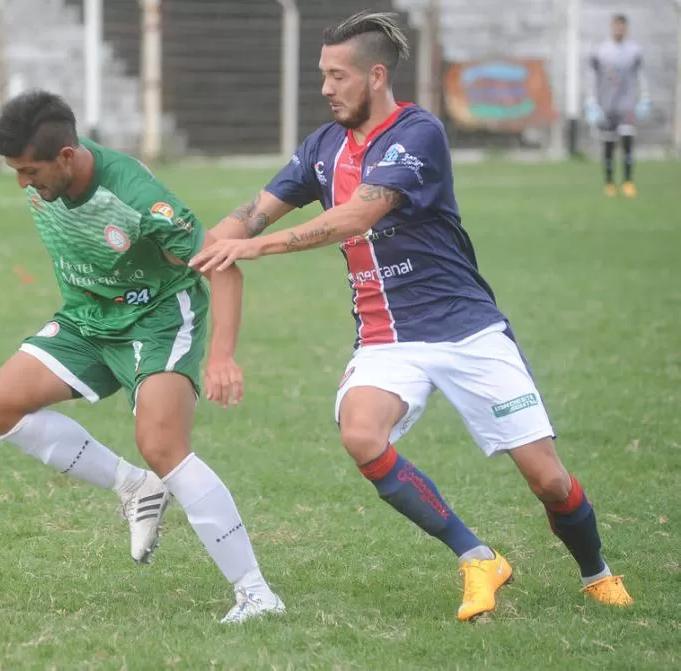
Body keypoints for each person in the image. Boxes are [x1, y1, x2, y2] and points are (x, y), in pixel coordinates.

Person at [190, 11, 633, 621]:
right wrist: (193, 245)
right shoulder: (321, 148)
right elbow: (248, 218)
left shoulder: (417, 133)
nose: (325, 88)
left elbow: (355, 217)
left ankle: (596, 573)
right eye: (322, 75)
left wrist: (254, 247)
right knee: (360, 433)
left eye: (337, 76)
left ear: (375, 76)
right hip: (385, 339)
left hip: (465, 328)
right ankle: (478, 557)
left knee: (548, 481)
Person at [0, 89, 284, 623]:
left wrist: (222, 358)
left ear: (66, 157)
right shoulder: (48, 178)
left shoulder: (139, 198)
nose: (23, 183)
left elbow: (222, 265)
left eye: (29, 171)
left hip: (158, 318)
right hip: (87, 317)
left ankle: (257, 594)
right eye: (15, 171)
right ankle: (133, 486)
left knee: (163, 444)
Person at [585, 13, 650, 198]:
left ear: (626, 28)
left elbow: (642, 75)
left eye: (622, 27)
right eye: (616, 26)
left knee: (628, 143)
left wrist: (645, 97)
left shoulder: (634, 51)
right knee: (608, 145)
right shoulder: (601, 51)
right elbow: (591, 77)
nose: (619, 30)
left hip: (627, 105)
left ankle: (628, 182)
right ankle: (609, 182)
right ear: (612, 27)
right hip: (607, 106)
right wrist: (590, 101)